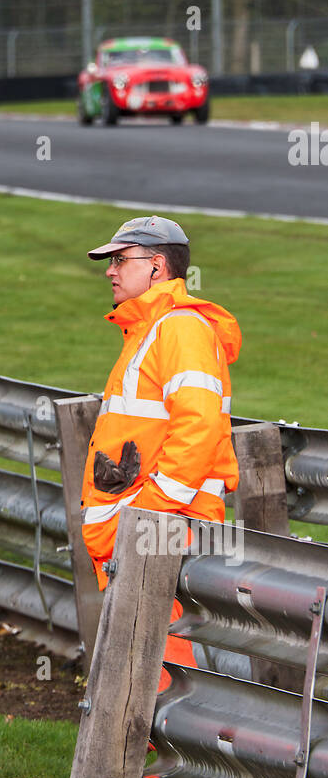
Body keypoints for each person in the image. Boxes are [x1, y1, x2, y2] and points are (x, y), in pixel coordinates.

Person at [81, 215, 241, 683]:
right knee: (145, 661)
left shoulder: (179, 329)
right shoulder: (149, 330)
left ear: (156, 266)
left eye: (119, 259)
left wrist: (150, 513)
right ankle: (160, 751)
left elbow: (199, 426)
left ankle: (169, 751)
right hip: (147, 527)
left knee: (155, 663)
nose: (110, 270)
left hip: (162, 526)